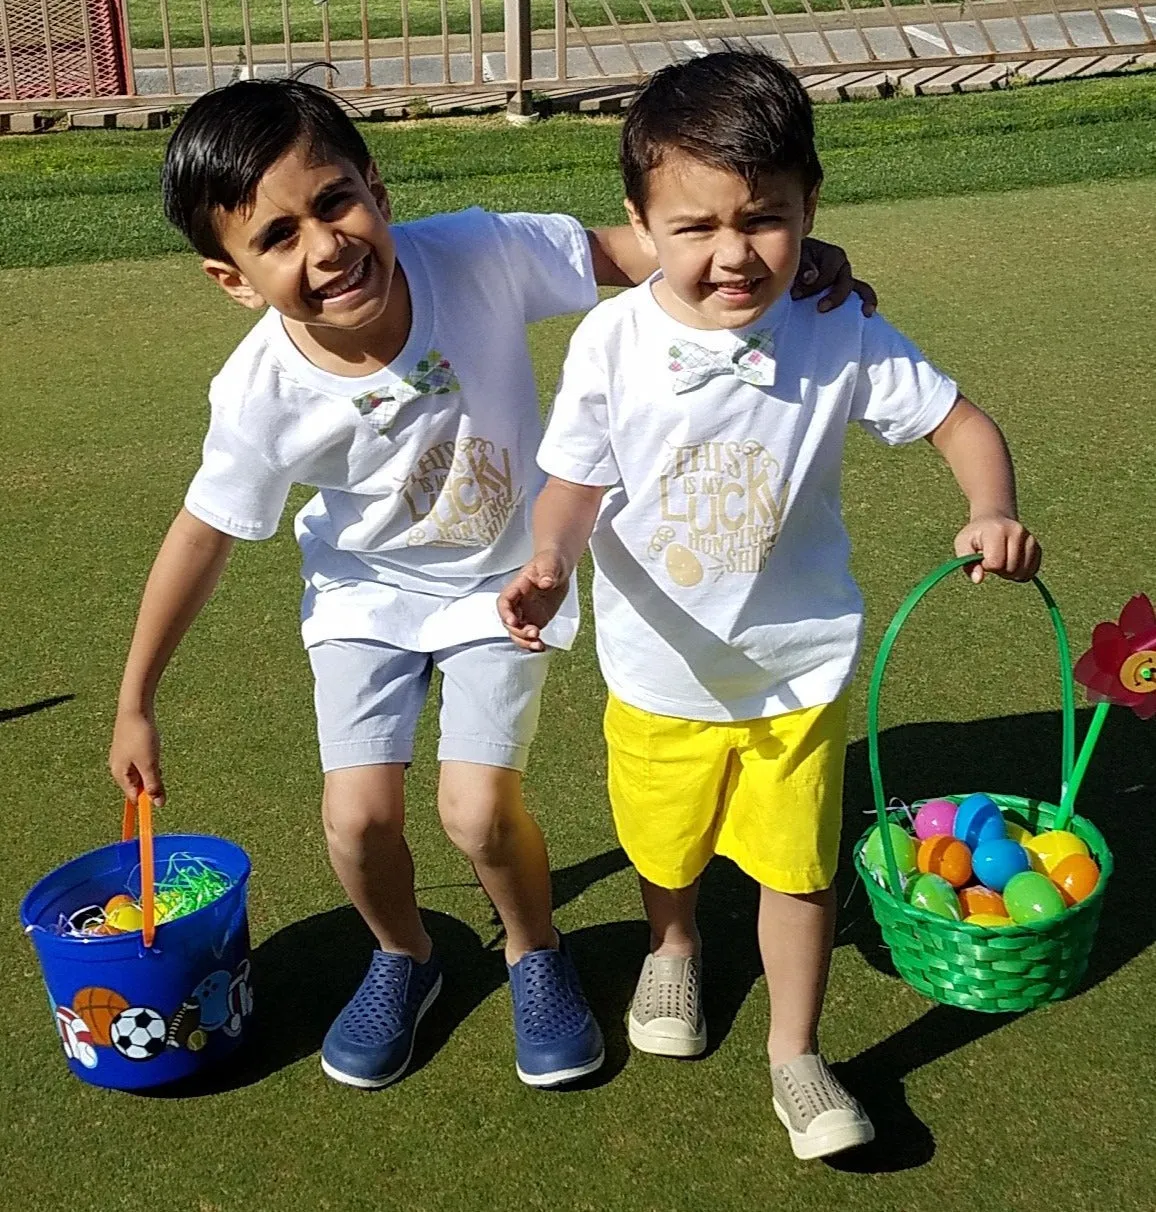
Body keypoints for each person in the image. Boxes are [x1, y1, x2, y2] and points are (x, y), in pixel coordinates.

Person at [107, 76, 865, 1093]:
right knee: (356, 820)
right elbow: (203, 533)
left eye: (334, 202)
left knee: (473, 811)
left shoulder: (474, 250)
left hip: (507, 584)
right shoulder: (257, 391)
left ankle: (531, 950)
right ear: (232, 277)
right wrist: (135, 700)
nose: (325, 247)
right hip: (363, 598)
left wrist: (771, 265)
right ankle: (405, 954)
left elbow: (619, 251)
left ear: (374, 184)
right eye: (277, 237)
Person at [499, 50, 1041, 1157]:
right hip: (656, 671)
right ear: (640, 221)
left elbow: (960, 423)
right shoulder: (612, 339)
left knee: (799, 869)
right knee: (666, 847)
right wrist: (549, 557)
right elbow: (571, 482)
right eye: (693, 226)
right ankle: (678, 949)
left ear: (809, 208)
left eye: (765, 218)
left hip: (798, 668)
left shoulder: (835, 326)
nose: (733, 253)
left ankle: (796, 1053)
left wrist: (991, 506)